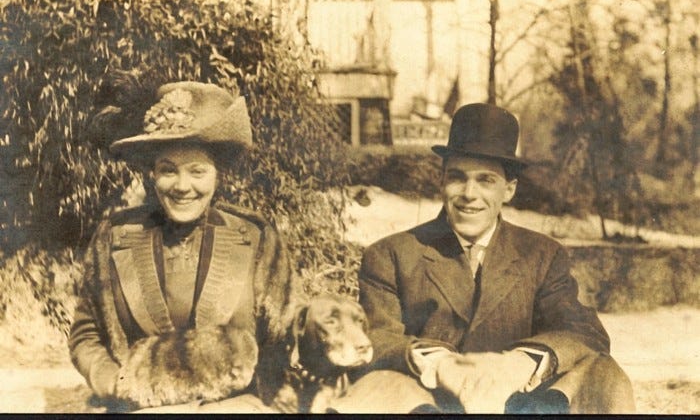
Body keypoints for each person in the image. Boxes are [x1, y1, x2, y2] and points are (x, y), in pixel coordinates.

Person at [330, 103, 635, 414]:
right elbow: (376, 337)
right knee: (377, 384)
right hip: (430, 403)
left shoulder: (542, 255)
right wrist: (439, 362)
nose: (469, 193)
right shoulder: (391, 254)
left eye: (486, 180)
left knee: (602, 371)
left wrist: (522, 361)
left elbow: (584, 331)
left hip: (517, 403)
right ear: (442, 181)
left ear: (509, 189)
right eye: (457, 177)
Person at [69, 81, 296, 412]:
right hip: (141, 405)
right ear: (152, 174)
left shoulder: (257, 238)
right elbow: (85, 336)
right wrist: (114, 382)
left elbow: (284, 334)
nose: (182, 186)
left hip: (235, 405)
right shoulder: (114, 236)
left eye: (197, 171)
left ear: (219, 175)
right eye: (168, 171)